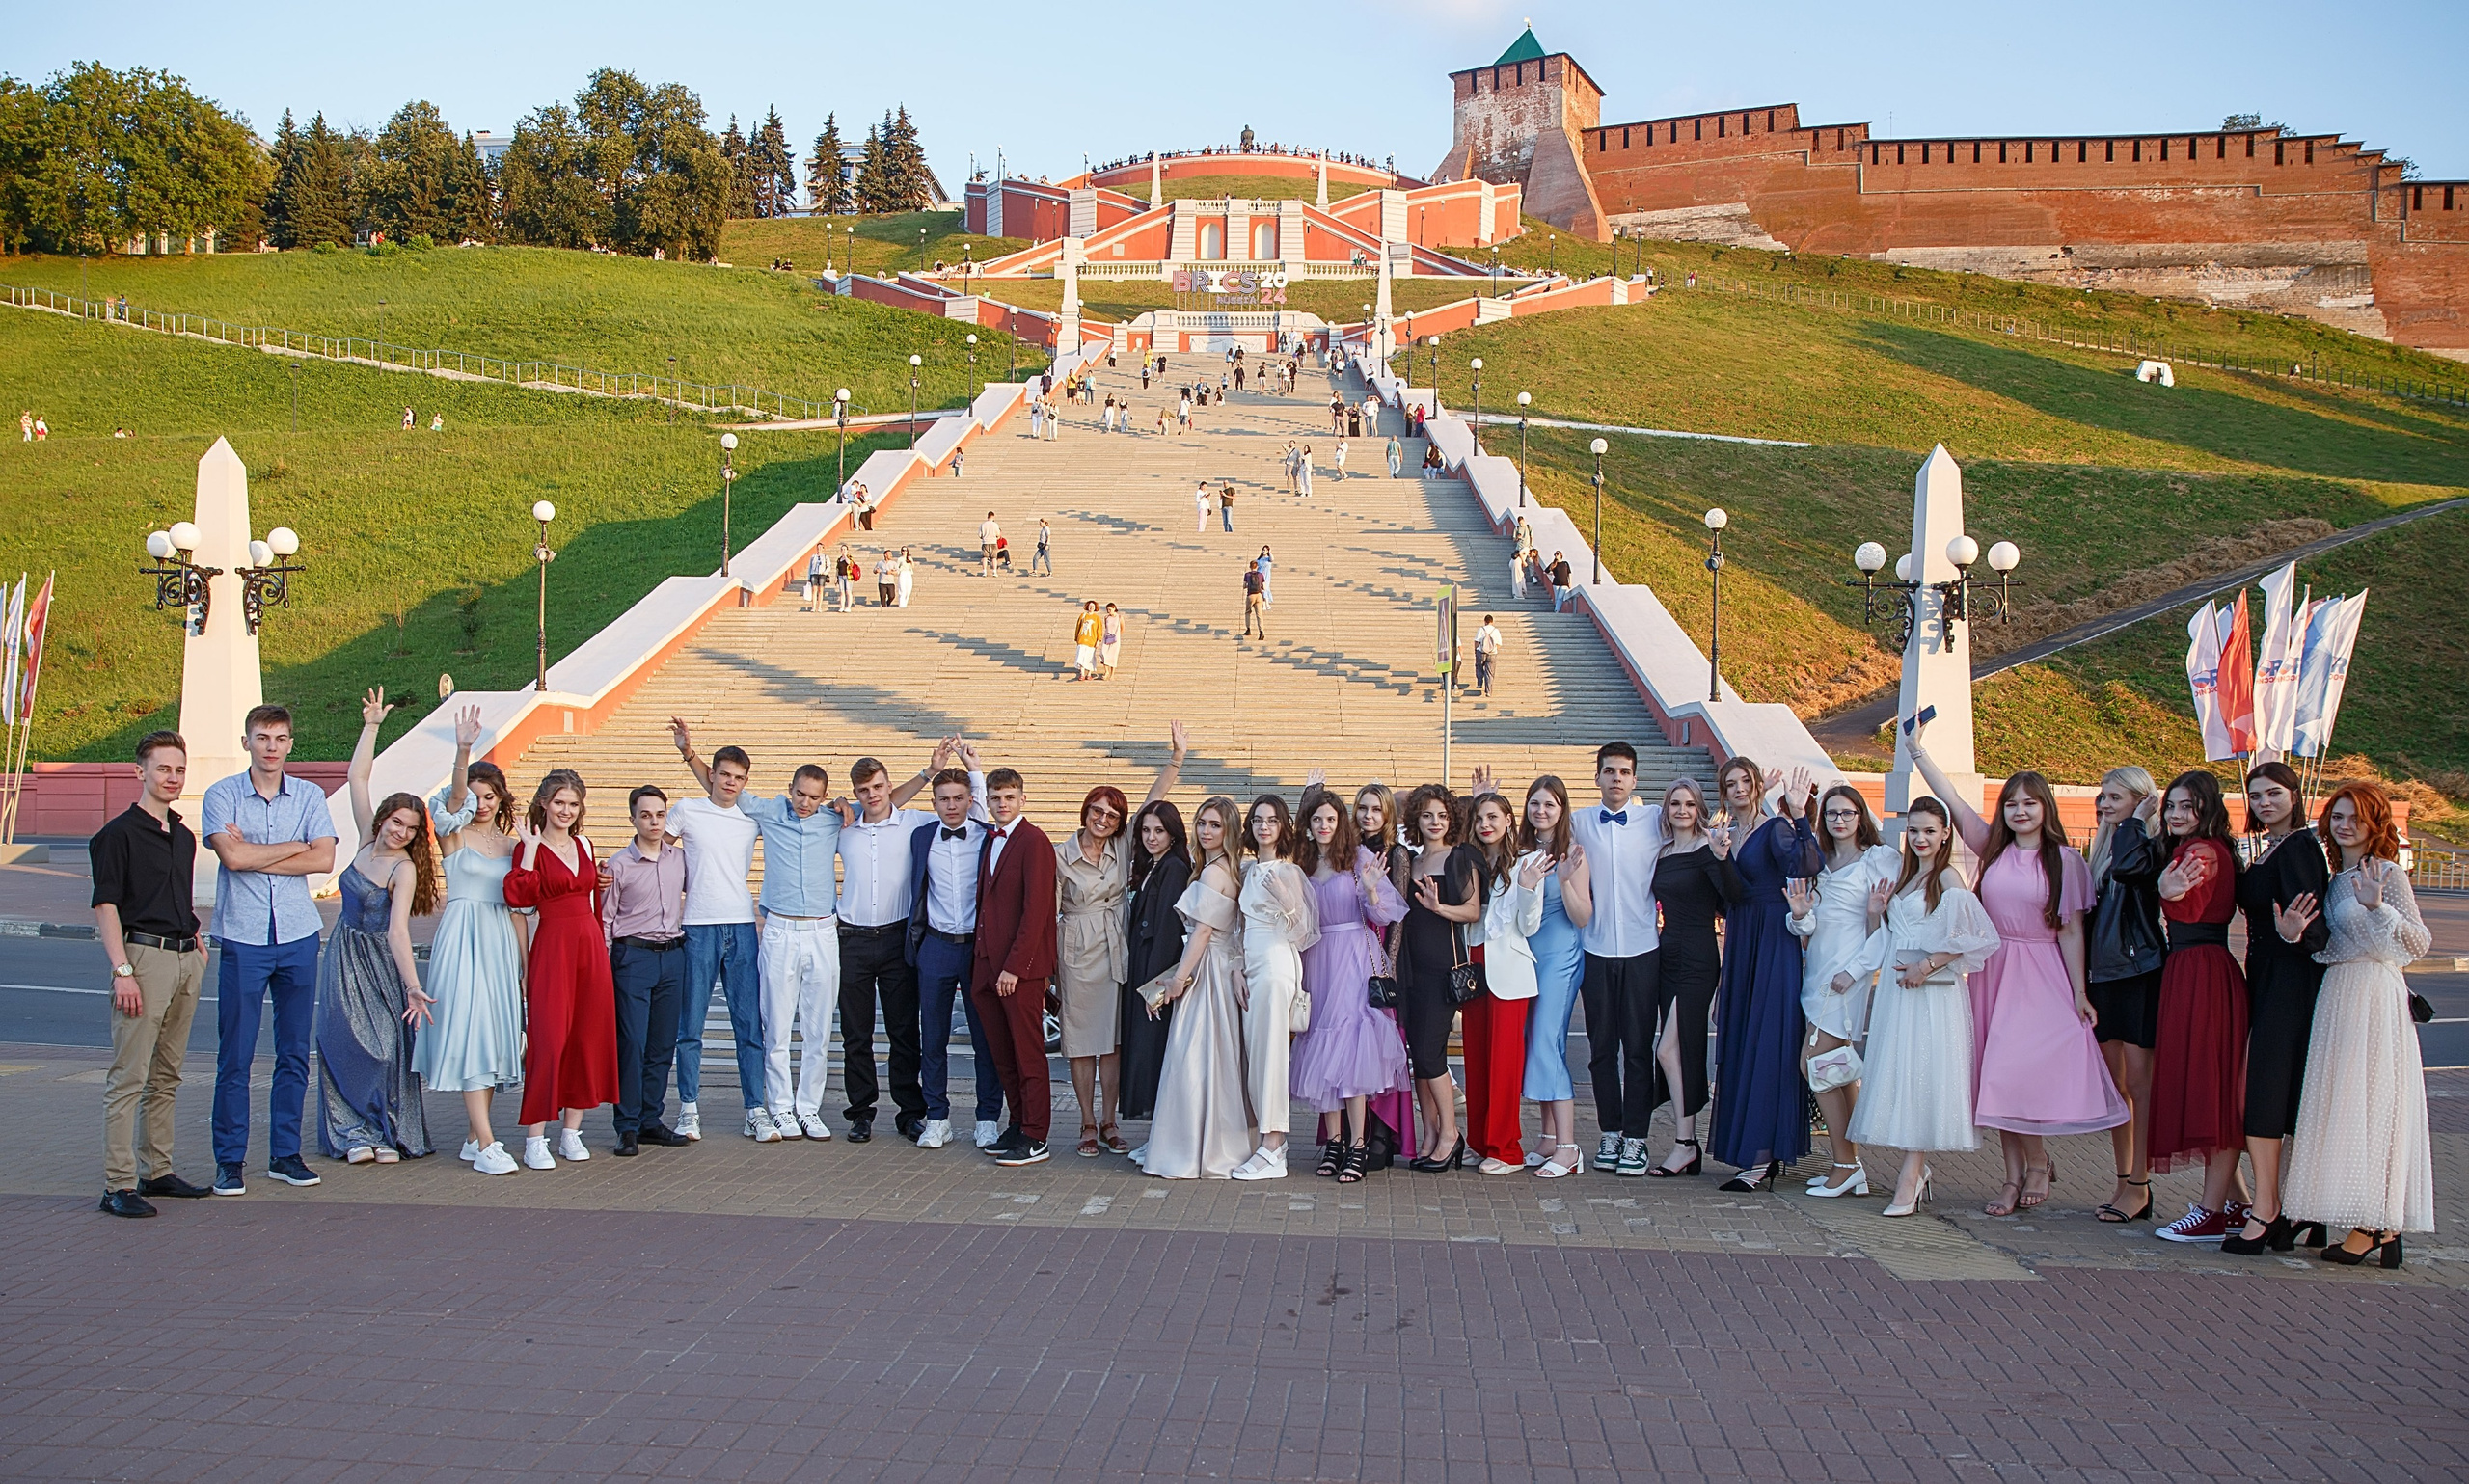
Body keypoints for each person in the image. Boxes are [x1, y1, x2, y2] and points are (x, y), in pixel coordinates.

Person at [1909, 728, 2126, 1214]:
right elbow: (1953, 800)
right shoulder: (1993, 849)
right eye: (2011, 804)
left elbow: (2071, 933)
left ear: (2045, 808)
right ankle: (2012, 1177)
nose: (2020, 811)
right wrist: (1918, 751)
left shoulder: (2066, 861)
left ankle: (2038, 1163)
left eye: (2030, 803)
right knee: (1997, 1075)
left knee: (2024, 1071)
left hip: (2042, 972)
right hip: (1994, 969)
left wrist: (2079, 993)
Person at [673, 723, 852, 1142]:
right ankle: (780, 1108)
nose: (806, 802)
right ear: (789, 789)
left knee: (818, 1029)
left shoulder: (833, 818)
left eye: (815, 796)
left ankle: (809, 1109)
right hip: (778, 930)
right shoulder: (767, 811)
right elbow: (721, 787)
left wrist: (926, 774)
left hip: (823, 930)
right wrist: (689, 755)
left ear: (824, 797)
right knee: (773, 1026)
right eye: (800, 793)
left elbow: (880, 804)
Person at [2281, 783, 2434, 1267]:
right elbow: (2332, 947)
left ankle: (2374, 1224)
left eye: (2356, 818)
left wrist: (2379, 904)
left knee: (2374, 1102)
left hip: (2375, 993)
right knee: (2343, 1103)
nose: (2344, 825)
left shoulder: (2385, 873)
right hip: (2338, 990)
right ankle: (2379, 1226)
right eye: (2338, 815)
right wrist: (2296, 936)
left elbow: (2419, 942)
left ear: (2375, 824)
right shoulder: (2336, 877)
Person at [1840, 797, 1999, 1217]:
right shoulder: (1907, 876)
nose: (1920, 838)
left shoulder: (1949, 877)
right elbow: (1889, 936)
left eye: (1929, 830)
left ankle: (1910, 1175)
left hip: (1931, 993)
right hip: (1897, 992)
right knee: (1903, 1075)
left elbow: (1977, 936)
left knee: (1925, 1075)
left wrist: (1926, 966)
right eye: (1913, 830)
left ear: (1946, 833)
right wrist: (1876, 914)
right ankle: (1915, 1170)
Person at [203, 703, 338, 1197]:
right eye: (262, 738)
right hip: (243, 935)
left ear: (290, 744)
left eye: (280, 738)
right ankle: (230, 1160)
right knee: (235, 1054)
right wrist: (291, 846)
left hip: (299, 934)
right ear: (247, 742)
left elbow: (323, 860)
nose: (271, 747)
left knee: (294, 1053)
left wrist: (260, 853)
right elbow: (232, 858)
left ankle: (285, 1154)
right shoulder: (222, 796)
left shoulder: (307, 795)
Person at [315, 688, 438, 1166]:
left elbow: (398, 933)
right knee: (339, 1041)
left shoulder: (403, 869)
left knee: (384, 1047)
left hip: (379, 962)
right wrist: (371, 726)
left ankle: (385, 1131)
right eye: (395, 821)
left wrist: (412, 985)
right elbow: (357, 777)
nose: (398, 831)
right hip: (341, 953)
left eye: (409, 828)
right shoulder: (367, 838)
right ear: (384, 818)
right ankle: (351, 1135)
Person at [93, 730, 211, 1216]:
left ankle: (156, 1171)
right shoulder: (116, 835)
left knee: (167, 1075)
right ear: (139, 771)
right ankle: (117, 1185)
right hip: (143, 960)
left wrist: (196, 939)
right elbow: (106, 906)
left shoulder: (183, 836)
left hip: (186, 958)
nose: (172, 778)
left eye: (179, 770)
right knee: (129, 1076)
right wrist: (122, 970)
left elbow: (175, 895)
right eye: (163, 769)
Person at [1054, 731, 1189, 1156]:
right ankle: (1087, 1122)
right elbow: (1048, 910)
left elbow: (1154, 802)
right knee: (1080, 1042)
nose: (1103, 819)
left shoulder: (1122, 846)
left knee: (1112, 1041)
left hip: (1118, 950)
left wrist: (1176, 760)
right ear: (1085, 812)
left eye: (1112, 815)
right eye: (1097, 811)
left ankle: (1110, 1121)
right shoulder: (1061, 855)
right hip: (1077, 950)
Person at [2228, 759, 2331, 1253]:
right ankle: (2294, 1210)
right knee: (2278, 1094)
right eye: (2256, 795)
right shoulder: (2278, 847)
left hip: (2289, 981)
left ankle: (2267, 1210)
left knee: (2266, 1094)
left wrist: (2296, 936)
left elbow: (2315, 929)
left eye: (2274, 793)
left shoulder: (2300, 848)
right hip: (2267, 975)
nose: (2264, 803)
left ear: (2295, 796)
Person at [2146, 770, 2253, 1243]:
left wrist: (2165, 893)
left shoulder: (2202, 852)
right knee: (2209, 1086)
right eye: (2171, 806)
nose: (2175, 815)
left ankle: (2213, 1212)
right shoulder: (2200, 849)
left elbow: (2184, 902)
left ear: (2207, 808)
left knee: (2211, 1091)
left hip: (2201, 971)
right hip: (2196, 968)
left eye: (2186, 807)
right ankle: (2237, 1205)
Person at [421, 708, 528, 1173]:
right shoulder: (454, 836)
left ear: (501, 799)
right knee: (470, 1033)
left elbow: (525, 905)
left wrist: (524, 964)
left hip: (501, 941)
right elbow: (446, 807)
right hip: (463, 939)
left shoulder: (511, 846)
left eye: (490, 796)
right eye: (476, 795)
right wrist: (463, 751)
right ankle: (487, 1143)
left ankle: (471, 1135)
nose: (482, 802)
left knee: (494, 1036)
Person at [1709, 758, 1819, 1191]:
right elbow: (1727, 899)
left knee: (1767, 1040)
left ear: (1757, 786)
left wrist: (1798, 814)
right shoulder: (1728, 835)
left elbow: (1807, 864)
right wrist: (1718, 859)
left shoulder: (1774, 828)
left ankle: (1762, 1156)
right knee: (1741, 1038)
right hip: (1740, 940)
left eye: (1745, 781)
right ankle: (1751, 1150)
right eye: (1730, 783)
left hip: (1774, 937)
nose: (1738, 789)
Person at [1290, 790, 1411, 1183]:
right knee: (1323, 1044)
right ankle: (1336, 1143)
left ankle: (1359, 1144)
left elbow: (1384, 912)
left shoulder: (1357, 858)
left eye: (1330, 819)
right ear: (1307, 826)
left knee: (1350, 1046)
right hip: (1317, 957)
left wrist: (1374, 888)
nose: (1324, 826)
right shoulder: (1303, 865)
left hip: (1353, 956)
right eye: (1317, 820)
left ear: (1340, 822)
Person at [1785, 783, 1898, 1197]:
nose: (1839, 820)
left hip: (1846, 980)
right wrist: (1800, 917)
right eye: (1832, 813)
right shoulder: (1819, 861)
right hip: (1817, 975)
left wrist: (1855, 972)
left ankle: (1844, 1163)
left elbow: (1884, 930)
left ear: (1860, 816)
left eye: (1847, 813)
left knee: (1816, 1065)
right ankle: (1852, 1165)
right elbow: (1808, 930)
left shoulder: (1878, 860)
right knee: (1836, 1069)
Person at [503, 770, 619, 1170]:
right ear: (544, 804)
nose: (566, 811)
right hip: (552, 946)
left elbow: (593, 899)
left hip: (589, 947)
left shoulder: (585, 843)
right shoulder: (527, 848)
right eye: (558, 803)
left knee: (586, 1037)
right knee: (548, 1040)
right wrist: (532, 850)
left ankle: (572, 1132)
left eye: (573, 804)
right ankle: (535, 1137)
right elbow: (519, 897)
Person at [1140, 796, 1253, 1179]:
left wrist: (1177, 980)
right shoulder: (1230, 868)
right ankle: (1213, 1144)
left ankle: (1188, 1148)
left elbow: (1202, 932)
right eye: (1202, 823)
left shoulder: (1212, 873)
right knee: (1217, 1058)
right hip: (1221, 967)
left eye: (1215, 825)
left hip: (1206, 970)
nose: (1206, 832)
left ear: (1230, 830)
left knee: (1194, 1057)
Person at [1569, 742, 1669, 1174]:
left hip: (1643, 951)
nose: (1616, 778)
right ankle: (1610, 1132)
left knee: (1638, 1050)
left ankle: (1637, 1138)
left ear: (1635, 779)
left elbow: (1700, 829)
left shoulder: (1654, 820)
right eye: (1608, 771)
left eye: (1624, 772)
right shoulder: (1579, 822)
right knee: (1601, 1049)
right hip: (1595, 949)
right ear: (1597, 778)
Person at [664, 731, 766, 1143]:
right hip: (698, 925)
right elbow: (659, 853)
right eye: (723, 774)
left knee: (749, 1024)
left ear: (744, 781)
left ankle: (755, 1109)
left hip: (741, 924)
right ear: (713, 775)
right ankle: (688, 1108)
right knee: (691, 1025)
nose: (729, 782)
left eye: (737, 777)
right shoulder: (687, 810)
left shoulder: (753, 815)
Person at [899, 747, 998, 1149]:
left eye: (959, 798)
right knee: (933, 1036)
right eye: (944, 799)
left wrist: (976, 769)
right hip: (936, 946)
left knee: (985, 1038)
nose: (952, 805)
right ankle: (937, 1116)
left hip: (978, 949)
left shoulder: (988, 836)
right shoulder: (922, 836)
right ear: (934, 802)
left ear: (970, 799)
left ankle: (988, 1116)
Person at [1644, 776, 1740, 1178]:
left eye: (1688, 804)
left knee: (1669, 1050)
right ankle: (1686, 1144)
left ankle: (1686, 1143)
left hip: (1699, 955)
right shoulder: (1664, 851)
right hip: (1667, 954)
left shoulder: (1707, 848)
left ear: (1700, 808)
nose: (1681, 811)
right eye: (1674, 804)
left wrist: (1722, 857)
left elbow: (1732, 899)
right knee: (1678, 1049)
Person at [2083, 767, 2165, 1223]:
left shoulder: (2148, 846)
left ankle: (2141, 1183)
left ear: (2142, 800)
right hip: (2105, 978)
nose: (2105, 804)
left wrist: (2138, 824)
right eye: (2103, 797)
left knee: (2140, 1084)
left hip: (2139, 973)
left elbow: (2136, 873)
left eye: (2116, 797)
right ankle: (2123, 1180)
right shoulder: (2102, 850)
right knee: (2116, 1087)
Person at [974, 766, 1060, 1165]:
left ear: (1022, 800)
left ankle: (1037, 1134)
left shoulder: (1035, 842)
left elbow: (1037, 910)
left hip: (1018, 970)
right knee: (1002, 1053)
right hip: (986, 965)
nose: (1002, 804)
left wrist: (1016, 966)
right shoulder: (990, 840)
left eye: (1009, 797)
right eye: (995, 798)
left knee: (1028, 1053)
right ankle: (1018, 1123)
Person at [599, 784, 691, 1157]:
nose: (653, 821)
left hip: (672, 956)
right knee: (632, 1043)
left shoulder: (679, 859)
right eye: (645, 815)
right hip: (632, 957)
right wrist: (604, 967)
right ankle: (627, 1125)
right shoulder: (618, 866)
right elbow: (606, 920)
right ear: (633, 818)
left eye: (659, 814)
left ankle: (652, 1119)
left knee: (661, 1044)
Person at [1233, 794, 1317, 1179]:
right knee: (1256, 1056)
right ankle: (1265, 1140)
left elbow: (1302, 932)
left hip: (1276, 965)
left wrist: (1286, 900)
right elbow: (1240, 928)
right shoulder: (1250, 870)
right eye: (1257, 820)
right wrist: (1237, 966)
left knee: (1270, 1057)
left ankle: (1274, 1145)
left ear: (1282, 827)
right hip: (1251, 967)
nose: (1263, 826)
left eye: (1271, 820)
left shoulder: (1287, 871)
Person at [1399, 783, 1482, 1171]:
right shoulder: (1411, 862)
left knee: (1432, 1056)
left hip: (1443, 972)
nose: (1435, 822)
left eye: (1442, 815)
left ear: (1452, 820)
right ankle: (1429, 1132)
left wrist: (1438, 906)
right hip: (1411, 971)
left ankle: (1450, 1135)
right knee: (1418, 1055)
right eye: (1427, 814)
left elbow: (1472, 911)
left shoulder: (1460, 857)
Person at [1510, 777, 1591, 1177]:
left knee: (1547, 1039)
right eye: (1535, 803)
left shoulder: (1572, 854)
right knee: (1533, 1040)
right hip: (1527, 957)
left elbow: (1582, 916)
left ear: (1562, 810)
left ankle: (1568, 1146)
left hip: (1560, 956)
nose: (1541, 811)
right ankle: (1545, 1137)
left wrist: (1563, 881)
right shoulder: (1521, 852)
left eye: (1550, 805)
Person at [1463, 786, 1543, 1175]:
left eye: (1493, 817)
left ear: (1509, 820)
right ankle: (1479, 1142)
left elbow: (1529, 925)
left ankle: (1506, 1149)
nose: (1485, 824)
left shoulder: (1527, 862)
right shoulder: (1470, 862)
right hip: (1473, 968)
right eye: (1479, 819)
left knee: (1504, 1064)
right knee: (1476, 1059)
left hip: (1509, 971)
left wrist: (1527, 889)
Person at [1118, 800, 1193, 1128]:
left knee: (1153, 1052)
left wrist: (1156, 989)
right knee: (1144, 1051)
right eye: (1146, 830)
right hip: (1142, 965)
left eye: (1159, 831)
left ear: (1173, 834)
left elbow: (1167, 929)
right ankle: (1156, 1135)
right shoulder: (1154, 866)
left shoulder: (1174, 869)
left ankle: (1162, 1134)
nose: (1151, 837)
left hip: (1155, 971)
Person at [1072, 600, 1102, 681]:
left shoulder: (1097, 618)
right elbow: (1078, 627)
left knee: (1090, 657)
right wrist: (1076, 638)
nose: (1091, 607)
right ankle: (1082, 674)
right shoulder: (1083, 615)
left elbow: (1099, 630)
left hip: (1092, 641)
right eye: (1090, 606)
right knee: (1081, 656)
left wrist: (1098, 640)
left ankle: (1089, 674)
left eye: (1093, 606)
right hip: (1082, 640)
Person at [1472, 615, 1502, 696]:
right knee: (1490, 673)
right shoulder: (1496, 631)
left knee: (1479, 667)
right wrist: (1493, 648)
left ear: (1485, 621)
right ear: (1492, 622)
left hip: (1481, 652)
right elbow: (1499, 644)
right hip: (1492, 653)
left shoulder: (1481, 629)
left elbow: (1476, 642)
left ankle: (1479, 683)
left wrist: (1475, 650)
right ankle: (1488, 691)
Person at [1242, 561, 1267, 639]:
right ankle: (1261, 631)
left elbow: (1244, 586)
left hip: (1250, 595)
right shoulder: (1260, 575)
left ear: (1250, 566)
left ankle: (1248, 629)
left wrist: (1249, 585)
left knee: (1248, 612)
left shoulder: (1247, 574)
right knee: (1259, 615)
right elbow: (1264, 587)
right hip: (1259, 595)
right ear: (1257, 567)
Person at [1099, 604, 1123, 679]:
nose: (1109, 611)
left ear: (1114, 608)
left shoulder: (1119, 617)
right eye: (1107, 610)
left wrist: (1117, 636)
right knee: (1103, 653)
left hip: (1115, 640)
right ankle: (1107, 671)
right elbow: (1106, 627)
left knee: (1113, 656)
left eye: (1110, 610)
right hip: (1107, 638)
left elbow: (1122, 628)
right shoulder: (1106, 617)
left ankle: (1112, 674)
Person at [804, 545, 827, 612]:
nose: (819, 549)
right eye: (818, 547)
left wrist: (825, 572)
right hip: (814, 574)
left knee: (820, 590)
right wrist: (809, 577)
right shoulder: (813, 557)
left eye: (820, 547)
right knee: (814, 590)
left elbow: (828, 566)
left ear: (823, 548)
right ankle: (813, 607)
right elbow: (810, 567)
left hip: (821, 574)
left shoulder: (825, 557)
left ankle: (819, 607)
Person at [979, 511, 1000, 577]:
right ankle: (994, 572)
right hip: (993, 542)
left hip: (985, 542)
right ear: (993, 516)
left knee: (985, 558)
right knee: (994, 558)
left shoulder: (983, 524)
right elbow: (998, 534)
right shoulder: (995, 524)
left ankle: (984, 572)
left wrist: (984, 537)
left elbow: (980, 535)